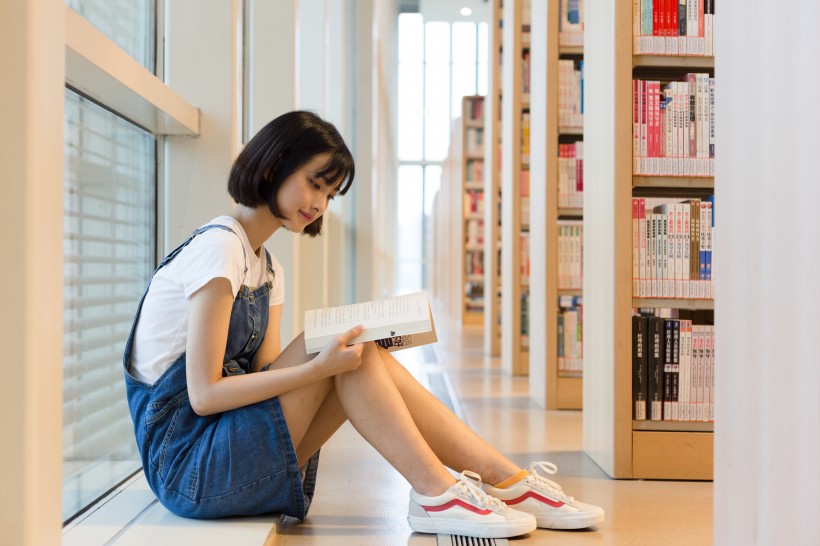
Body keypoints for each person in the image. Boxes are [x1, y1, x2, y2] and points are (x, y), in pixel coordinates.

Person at [123, 110, 604, 539]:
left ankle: (505, 481)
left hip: (225, 445)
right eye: (315, 183)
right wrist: (317, 369)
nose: (320, 204)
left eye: (330, 194)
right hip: (186, 467)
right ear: (273, 165)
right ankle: (443, 491)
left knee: (358, 346)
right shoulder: (219, 249)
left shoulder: (268, 267)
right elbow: (204, 395)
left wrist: (331, 362)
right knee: (343, 353)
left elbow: (264, 377)